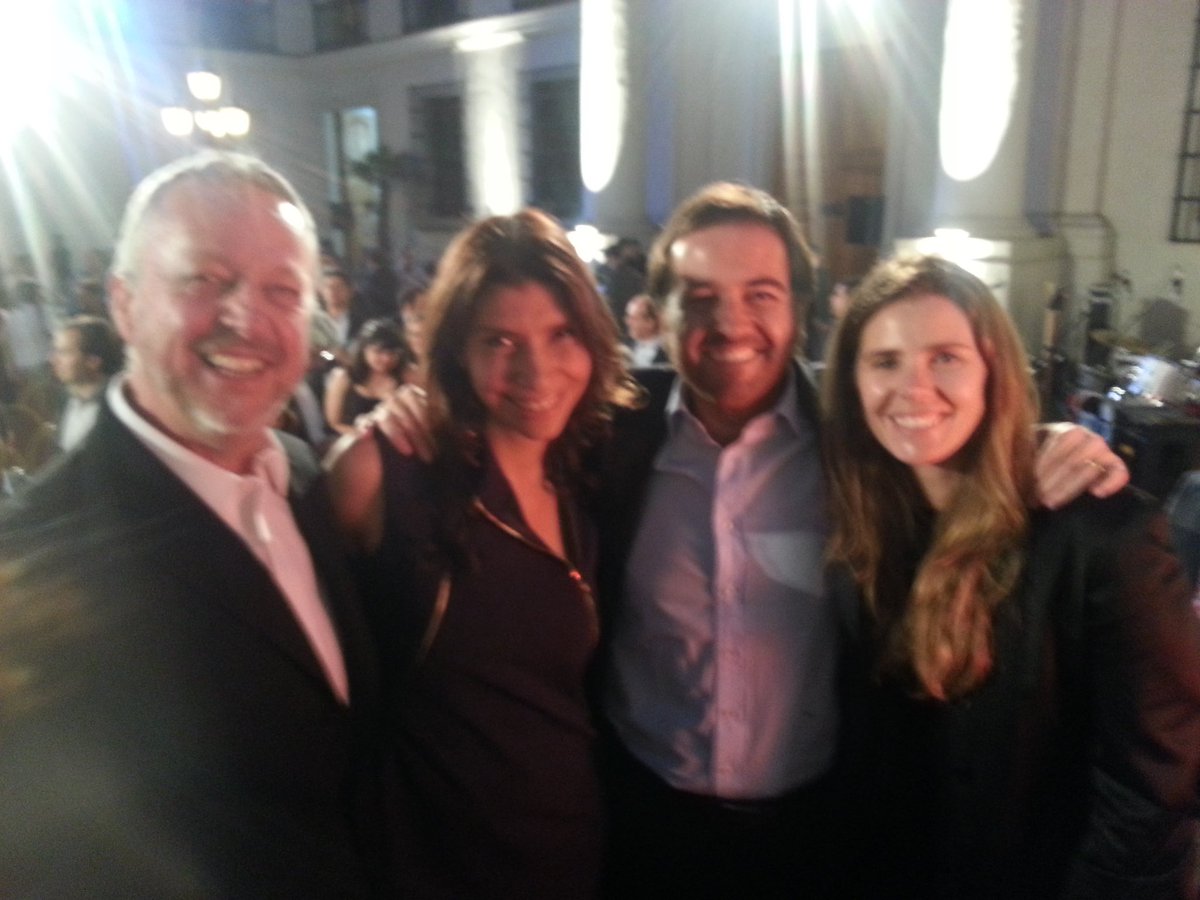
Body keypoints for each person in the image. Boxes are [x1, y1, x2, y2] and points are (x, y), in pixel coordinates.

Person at [375, 183, 1130, 898]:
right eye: (699, 298)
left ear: (800, 309)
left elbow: (957, 449)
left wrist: (1044, 443)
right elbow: (508, 424)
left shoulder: (862, 446)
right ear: (659, 313)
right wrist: (416, 410)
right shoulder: (611, 444)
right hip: (644, 828)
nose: (729, 324)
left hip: (823, 837)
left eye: (759, 296)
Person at [0, 151, 383, 895]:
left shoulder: (308, 477)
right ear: (124, 303)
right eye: (205, 280)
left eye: (282, 290)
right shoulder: (29, 561)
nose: (247, 319)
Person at [822, 254, 1200, 898]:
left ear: (993, 373)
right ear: (852, 383)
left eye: (945, 357)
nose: (913, 387)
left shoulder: (1099, 535)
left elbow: (1154, 793)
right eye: (885, 361)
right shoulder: (860, 522)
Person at [327, 208, 637, 898]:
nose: (536, 370)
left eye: (561, 335)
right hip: (430, 861)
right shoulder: (385, 475)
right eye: (499, 341)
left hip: (570, 849)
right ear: (456, 352)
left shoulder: (591, 471)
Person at [324, 317, 412, 435]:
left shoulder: (405, 375)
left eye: (392, 353)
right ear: (364, 350)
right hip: (349, 440)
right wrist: (362, 436)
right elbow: (334, 423)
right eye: (378, 351)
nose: (386, 359)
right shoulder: (344, 377)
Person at [49, 314, 124, 452]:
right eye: (56, 351)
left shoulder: (118, 407)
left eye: (64, 352)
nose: (53, 360)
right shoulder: (65, 399)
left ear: (93, 361)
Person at [623, 292, 670, 367]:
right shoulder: (624, 352)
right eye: (628, 317)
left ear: (650, 322)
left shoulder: (669, 353)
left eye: (633, 318)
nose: (628, 322)